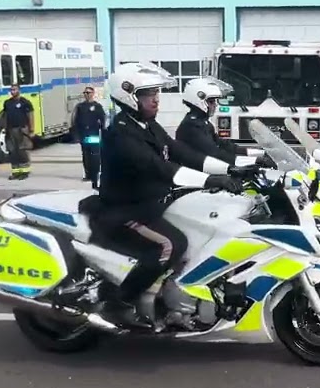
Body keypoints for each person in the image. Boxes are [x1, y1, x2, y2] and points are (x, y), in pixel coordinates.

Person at [85, 62, 255, 329]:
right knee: (172, 244)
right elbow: (163, 169)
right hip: (126, 210)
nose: (155, 99)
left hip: (153, 203)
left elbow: (180, 153)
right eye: (147, 94)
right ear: (128, 95)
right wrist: (213, 180)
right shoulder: (121, 133)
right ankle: (119, 302)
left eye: (156, 93)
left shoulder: (146, 125)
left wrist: (231, 168)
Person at [175, 76, 274, 168]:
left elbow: (227, 146)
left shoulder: (204, 123)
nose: (215, 105)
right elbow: (216, 155)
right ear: (198, 100)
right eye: (211, 101)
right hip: (197, 178)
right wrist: (255, 161)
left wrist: (261, 153)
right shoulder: (191, 127)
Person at [71, 86, 107, 186]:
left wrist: (103, 131)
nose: (87, 94)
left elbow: (103, 119)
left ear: (93, 94)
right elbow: (75, 120)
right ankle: (88, 174)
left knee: (94, 155)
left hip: (93, 133)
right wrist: (76, 134)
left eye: (89, 93)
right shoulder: (80, 106)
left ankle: (95, 174)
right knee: (85, 155)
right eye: (85, 93)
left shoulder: (97, 106)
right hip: (83, 134)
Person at [3, 85, 35, 180]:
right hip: (10, 130)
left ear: (19, 90)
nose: (13, 91)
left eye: (15, 89)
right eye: (11, 90)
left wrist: (31, 130)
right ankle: (15, 172)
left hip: (22, 129)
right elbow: (5, 116)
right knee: (12, 151)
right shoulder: (7, 103)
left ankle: (24, 172)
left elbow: (31, 116)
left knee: (22, 151)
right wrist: (5, 129)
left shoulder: (25, 102)